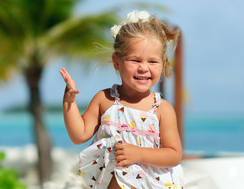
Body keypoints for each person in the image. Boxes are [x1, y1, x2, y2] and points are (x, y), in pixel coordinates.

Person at [60, 10, 184, 189]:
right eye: (135, 60)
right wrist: (69, 102)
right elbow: (79, 135)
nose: (143, 68)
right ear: (117, 62)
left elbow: (173, 155)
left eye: (152, 62)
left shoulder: (161, 109)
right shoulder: (105, 100)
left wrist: (139, 153)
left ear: (163, 64)